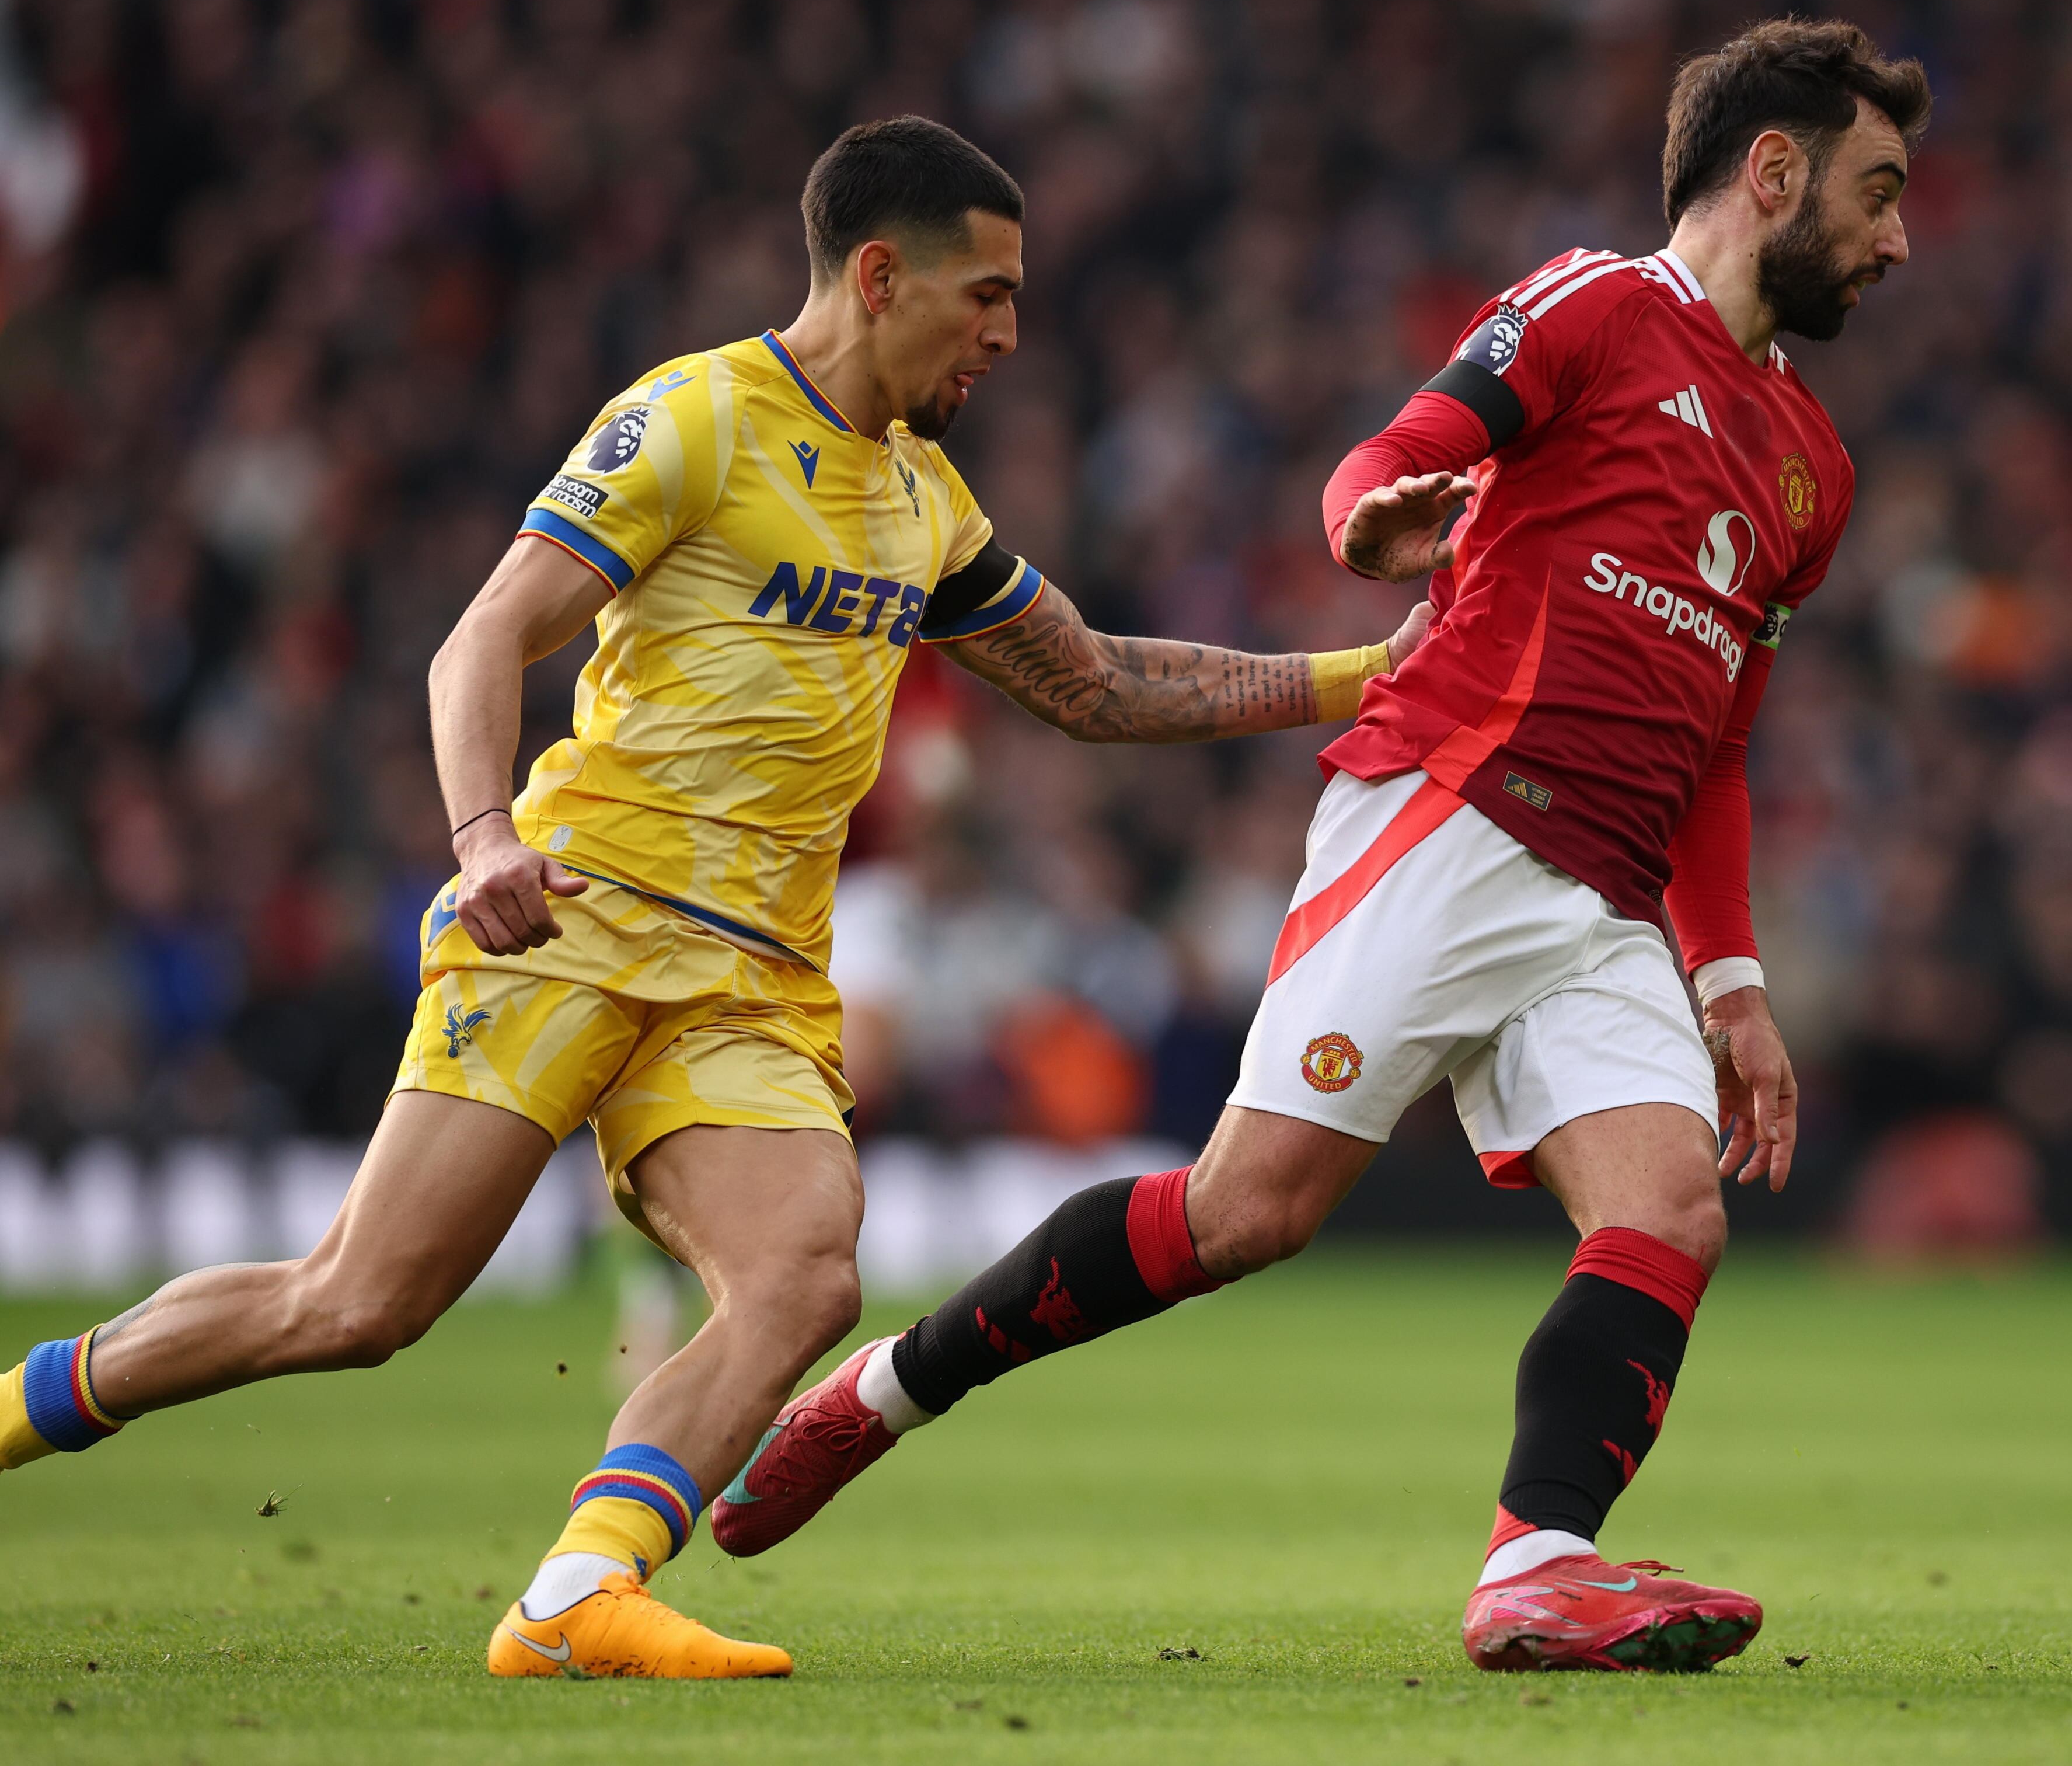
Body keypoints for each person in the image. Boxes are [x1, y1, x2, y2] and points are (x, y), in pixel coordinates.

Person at [0, 117, 1424, 1681]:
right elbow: (481, 639)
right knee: (359, 1302)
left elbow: (1093, 684)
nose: (1012, 334)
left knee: (807, 1271)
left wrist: (1372, 671)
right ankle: (16, 1411)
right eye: (988, 295)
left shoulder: (922, 500)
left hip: (750, 979)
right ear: (880, 276)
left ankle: (576, 1594)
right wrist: (482, 840)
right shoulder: (691, 418)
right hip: (577, 916)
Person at [712, 21, 1927, 1674]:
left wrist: (1730, 979)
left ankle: (1537, 1565)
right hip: (1451, 813)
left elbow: (1719, 744)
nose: (1897, 235)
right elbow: (1397, 450)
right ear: (1771, 172)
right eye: (1877, 188)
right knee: (1245, 1216)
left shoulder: (1814, 468)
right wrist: (1368, 519)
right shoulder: (1591, 306)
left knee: (1669, 1211)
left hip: (1608, 901)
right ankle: (887, 1389)